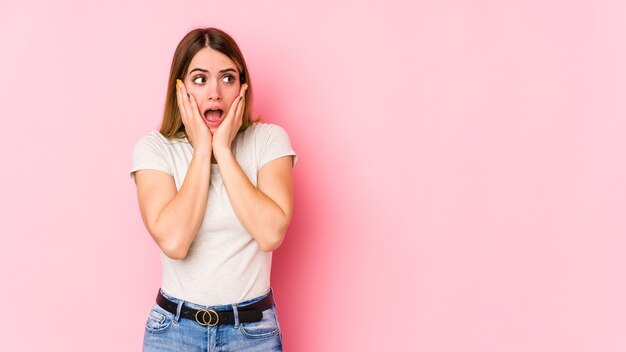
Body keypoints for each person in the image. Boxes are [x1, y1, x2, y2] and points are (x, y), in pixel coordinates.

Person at [130, 27, 297, 351]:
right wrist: (202, 151)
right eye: (200, 79)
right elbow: (175, 242)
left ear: (242, 87)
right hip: (173, 333)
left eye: (227, 78)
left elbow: (270, 234)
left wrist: (222, 150)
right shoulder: (155, 149)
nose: (215, 93)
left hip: (252, 335)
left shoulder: (268, 141)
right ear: (180, 89)